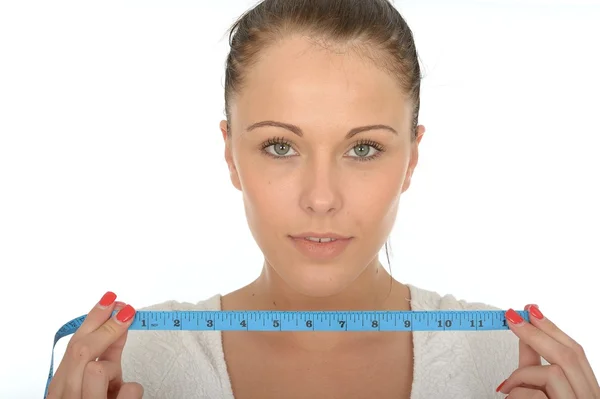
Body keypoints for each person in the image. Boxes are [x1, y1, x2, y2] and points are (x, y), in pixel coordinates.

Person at [45, 0, 599, 398]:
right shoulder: (126, 368)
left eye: (363, 148)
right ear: (230, 153)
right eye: (280, 145)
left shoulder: (512, 367)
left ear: (411, 158)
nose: (320, 198)